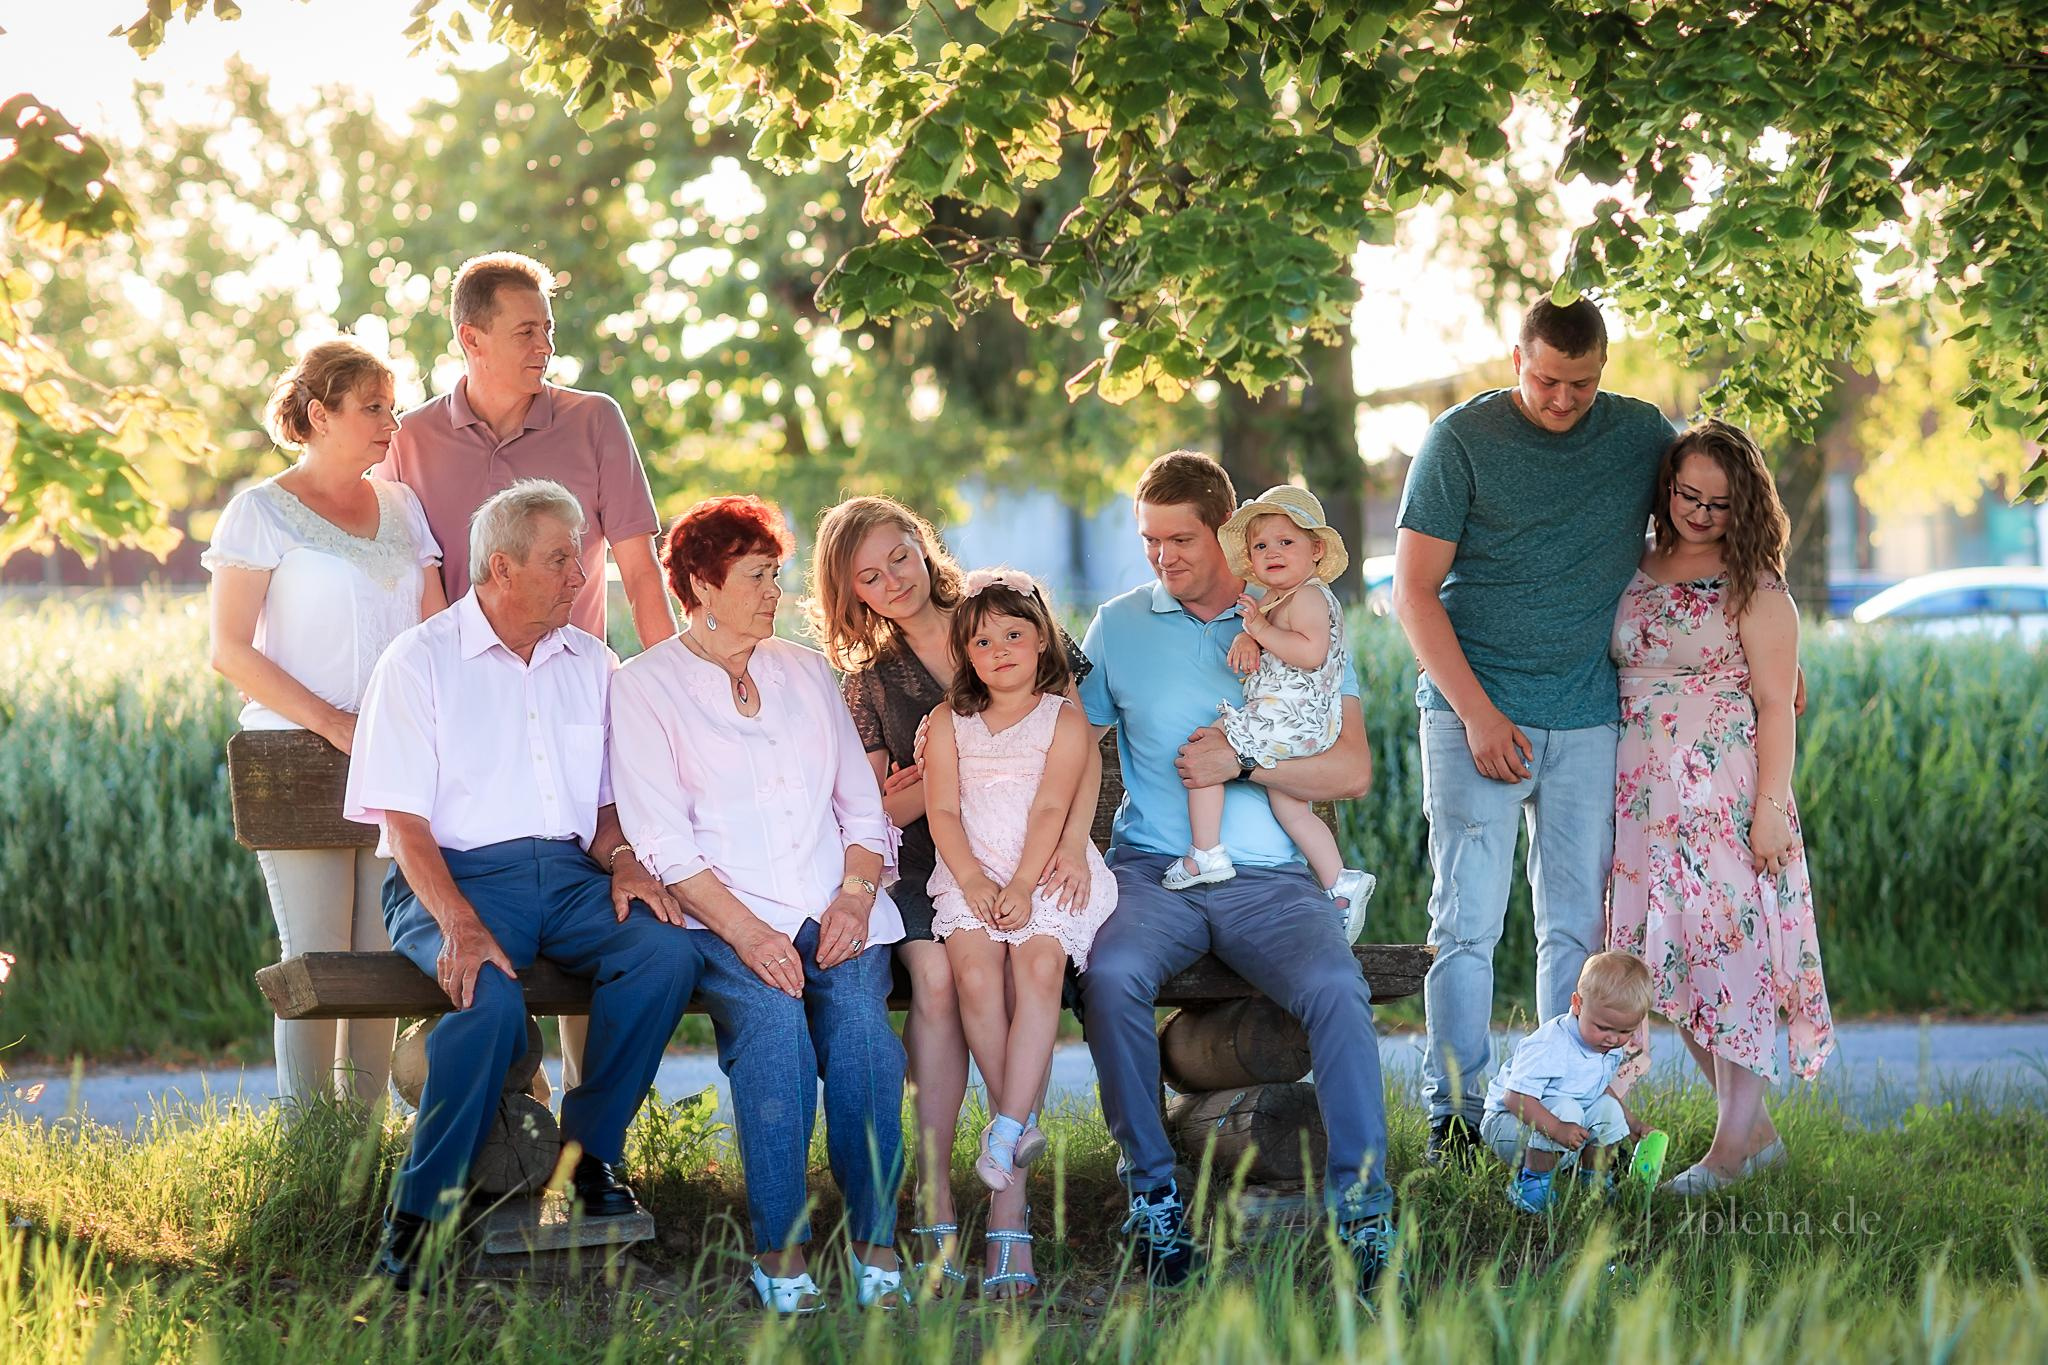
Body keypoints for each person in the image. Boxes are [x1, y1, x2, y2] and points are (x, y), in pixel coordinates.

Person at [344, 480, 701, 1291]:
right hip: (456, 877)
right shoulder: (421, 660)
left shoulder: (594, 662)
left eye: (578, 558)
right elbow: (404, 828)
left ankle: (585, 1156)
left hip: (572, 878)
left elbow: (608, 806)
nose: (580, 574)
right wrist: (462, 924)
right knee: (491, 999)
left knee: (664, 954)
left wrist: (624, 862)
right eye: (560, 560)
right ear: (500, 567)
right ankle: (419, 1216)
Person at [1078, 451, 1397, 1302]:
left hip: (1273, 881)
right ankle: (1152, 1191)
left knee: (1336, 986)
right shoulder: (1119, 625)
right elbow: (1068, 745)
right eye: (1150, 539)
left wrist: (1247, 762)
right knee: (1108, 975)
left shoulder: (1303, 618)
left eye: (1180, 538)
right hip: (1153, 871)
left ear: (1223, 533)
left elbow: (1352, 769)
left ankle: (1364, 1207)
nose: (1163, 556)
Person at [375, 250, 677, 1091]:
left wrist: (669, 690)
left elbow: (638, 571)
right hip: (471, 716)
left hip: (576, 704)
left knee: (612, 922)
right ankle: (508, 1103)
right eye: (526, 330)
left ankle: (590, 1139)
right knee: (487, 946)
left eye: (549, 327)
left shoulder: (595, 421)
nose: (545, 343)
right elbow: (424, 584)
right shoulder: (413, 440)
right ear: (471, 338)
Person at [1391, 297, 1678, 1167]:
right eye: (1547, 379)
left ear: (1604, 371)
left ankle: (1567, 1112)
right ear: (1516, 358)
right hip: (1473, 710)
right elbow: (1411, 593)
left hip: (1588, 711)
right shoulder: (1460, 441)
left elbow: (1713, 518)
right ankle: (1458, 1115)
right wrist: (1478, 713)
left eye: (1581, 385)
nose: (1562, 400)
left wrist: (1771, 630)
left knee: (1574, 933)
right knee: (1468, 923)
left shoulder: (1639, 435)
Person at [608, 495, 907, 1314]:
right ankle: (782, 1251)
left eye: (776, 573)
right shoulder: (644, 687)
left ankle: (878, 1240)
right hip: (725, 917)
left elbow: (863, 808)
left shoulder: (806, 671)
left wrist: (854, 895)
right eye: (758, 576)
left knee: (862, 1040)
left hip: (837, 903)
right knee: (775, 1034)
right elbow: (664, 843)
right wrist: (747, 932)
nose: (777, 591)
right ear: (701, 585)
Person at [806, 495, 1097, 1297]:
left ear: (921, 546)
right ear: (851, 593)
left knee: (1013, 975)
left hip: (1031, 854)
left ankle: (1010, 1217)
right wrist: (932, 776)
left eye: (900, 555)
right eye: (868, 576)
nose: (892, 580)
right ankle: (936, 1203)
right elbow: (870, 809)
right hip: (927, 864)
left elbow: (1080, 735)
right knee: (935, 979)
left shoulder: (998, 608)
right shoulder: (866, 681)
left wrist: (1070, 844)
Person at [204, 336, 446, 1113]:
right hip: (296, 757)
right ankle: (310, 1149)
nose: (391, 421)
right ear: (320, 413)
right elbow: (229, 650)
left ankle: (365, 1146)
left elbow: (436, 634)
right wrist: (336, 725)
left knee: (379, 964)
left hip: (397, 762)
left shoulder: (405, 507)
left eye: (393, 405)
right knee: (314, 962)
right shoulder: (259, 510)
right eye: (373, 407)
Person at [1604, 419, 1834, 1195]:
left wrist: (1771, 807)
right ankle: (1757, 1138)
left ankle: (1729, 1153)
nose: (1699, 514)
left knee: (1732, 962)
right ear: (1666, 486)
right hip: (1644, 802)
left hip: (1725, 797)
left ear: (1747, 507)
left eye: (1720, 504)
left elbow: (1778, 704)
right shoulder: (1633, 562)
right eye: (1687, 494)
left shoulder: (1757, 586)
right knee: (1673, 971)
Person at [922, 568, 1119, 1301]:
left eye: (1014, 633)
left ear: (1041, 640)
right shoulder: (947, 722)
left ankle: (1005, 1126)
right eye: (983, 640)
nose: (1000, 648)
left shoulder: (1062, 720)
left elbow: (1049, 811)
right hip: (971, 870)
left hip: (1043, 872)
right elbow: (941, 811)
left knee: (1037, 970)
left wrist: (1023, 886)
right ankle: (1013, 1138)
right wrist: (976, 883)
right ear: (965, 653)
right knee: (974, 973)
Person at [1173, 485, 1376, 937]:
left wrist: (1259, 629)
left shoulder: (1309, 597)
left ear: (1316, 549)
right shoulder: (1277, 598)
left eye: (1287, 542)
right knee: (1292, 808)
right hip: (1295, 722)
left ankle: (1205, 852)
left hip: (1291, 717)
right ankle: (1339, 881)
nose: (1273, 552)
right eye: (1261, 546)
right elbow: (1260, 633)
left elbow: (1309, 652)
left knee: (1208, 745)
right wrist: (1250, 635)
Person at [1481, 952, 1651, 1215]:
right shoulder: (1552, 1044)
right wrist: (1557, 1128)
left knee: (1608, 1109)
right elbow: (1513, 1098)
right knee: (1567, 1108)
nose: (1613, 1039)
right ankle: (1531, 1186)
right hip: (1508, 1125)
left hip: (1558, 1124)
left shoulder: (1607, 1045)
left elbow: (1598, 1089)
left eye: (1624, 1031)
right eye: (1604, 1027)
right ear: (1577, 1004)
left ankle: (1595, 1182)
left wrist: (1633, 1123)